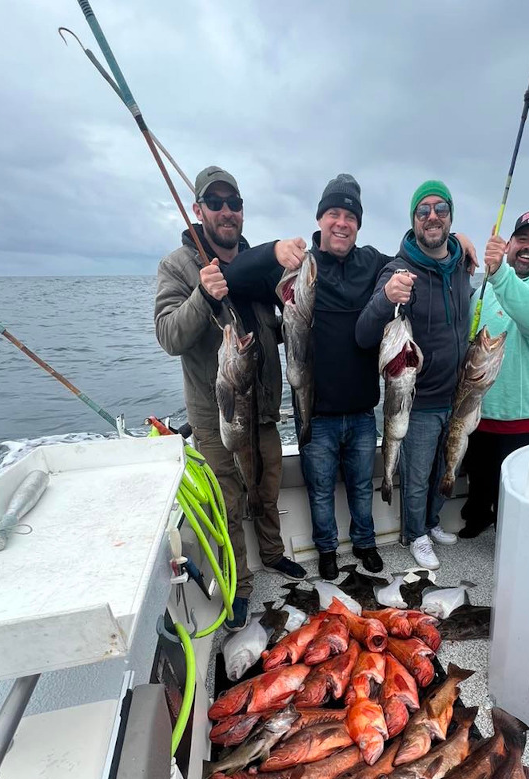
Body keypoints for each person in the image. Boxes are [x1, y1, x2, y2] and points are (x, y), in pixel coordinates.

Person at [154, 166, 307, 630]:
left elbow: (273, 328)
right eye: (215, 203)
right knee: (227, 501)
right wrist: (203, 293)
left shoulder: (257, 264)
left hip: (262, 405)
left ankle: (274, 554)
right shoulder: (177, 266)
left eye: (233, 203)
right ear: (198, 211)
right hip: (217, 411)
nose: (226, 211)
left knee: (268, 484)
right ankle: (239, 584)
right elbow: (168, 335)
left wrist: (293, 310)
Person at [223, 174, 387, 581]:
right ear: (320, 219)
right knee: (319, 490)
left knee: (362, 488)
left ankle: (365, 543)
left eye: (350, 215)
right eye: (334, 213)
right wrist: (273, 250)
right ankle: (328, 549)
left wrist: (458, 243)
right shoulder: (296, 267)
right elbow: (236, 274)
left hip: (364, 410)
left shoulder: (372, 262)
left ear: (358, 225)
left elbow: (413, 259)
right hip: (314, 411)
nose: (342, 222)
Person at [356, 181, 471, 570]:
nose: (432, 217)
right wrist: (387, 296)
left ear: (451, 217)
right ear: (414, 221)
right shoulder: (397, 269)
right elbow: (364, 332)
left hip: (457, 396)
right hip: (417, 401)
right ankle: (415, 534)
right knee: (418, 475)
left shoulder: (461, 265)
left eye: (440, 208)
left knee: (446, 467)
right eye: (423, 211)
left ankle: (432, 522)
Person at [459, 209, 529, 538]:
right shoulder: (486, 286)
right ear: (509, 244)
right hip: (477, 410)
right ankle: (477, 516)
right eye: (522, 239)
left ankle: (509, 539)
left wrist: (500, 272)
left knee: (512, 498)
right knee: (478, 483)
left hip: (519, 417)